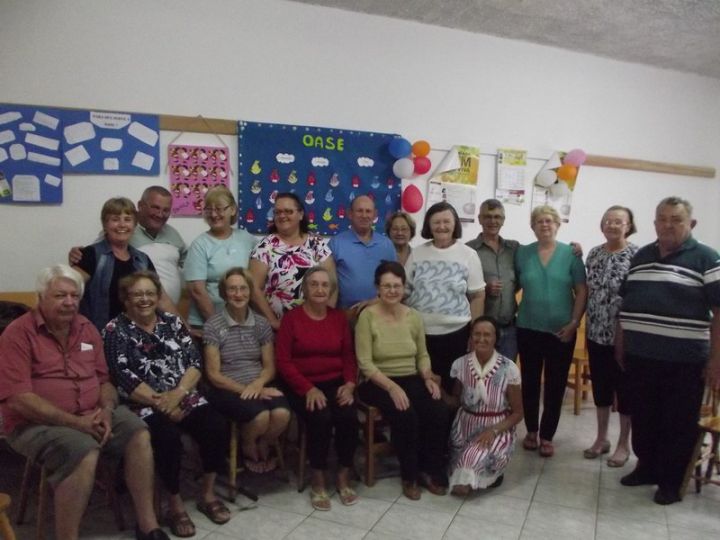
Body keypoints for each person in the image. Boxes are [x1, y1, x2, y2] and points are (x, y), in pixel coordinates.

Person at [0, 265, 168, 540]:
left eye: (74, 296)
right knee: (83, 448)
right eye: (60, 295)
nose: (69, 302)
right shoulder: (18, 334)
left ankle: (147, 524)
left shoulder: (86, 328)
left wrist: (106, 410)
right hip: (34, 423)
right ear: (41, 297)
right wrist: (76, 422)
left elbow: (104, 381)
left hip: (92, 412)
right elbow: (19, 400)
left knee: (138, 431)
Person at [103, 271, 231, 537]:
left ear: (158, 295)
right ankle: (174, 504)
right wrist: (160, 402)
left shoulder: (172, 321)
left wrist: (179, 393)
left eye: (150, 293)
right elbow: (121, 375)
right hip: (143, 404)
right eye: (137, 294)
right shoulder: (115, 330)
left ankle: (207, 494)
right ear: (125, 299)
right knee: (167, 438)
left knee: (217, 426)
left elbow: (195, 362)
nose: (145, 299)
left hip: (184, 396)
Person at [617, 197, 720, 505]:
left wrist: (716, 360)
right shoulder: (642, 256)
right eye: (662, 218)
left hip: (684, 361)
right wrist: (621, 342)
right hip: (641, 355)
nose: (668, 224)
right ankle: (647, 468)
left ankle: (671, 482)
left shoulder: (707, 258)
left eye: (676, 219)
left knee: (677, 422)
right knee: (645, 417)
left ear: (691, 224)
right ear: (654, 223)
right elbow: (626, 303)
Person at [355, 261, 450, 500]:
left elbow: (422, 354)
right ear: (377, 287)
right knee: (405, 413)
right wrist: (391, 386)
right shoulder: (367, 317)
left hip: (410, 377)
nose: (392, 291)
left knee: (438, 409)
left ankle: (431, 470)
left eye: (396, 286)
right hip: (376, 382)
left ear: (404, 287)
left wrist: (427, 377)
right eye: (386, 286)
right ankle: (410, 476)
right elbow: (365, 363)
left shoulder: (413, 316)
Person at [275, 267, 359, 511]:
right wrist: (308, 388)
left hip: (335, 382)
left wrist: (350, 384)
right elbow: (283, 361)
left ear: (331, 290)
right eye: (314, 284)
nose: (320, 289)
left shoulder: (338, 318)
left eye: (325, 285)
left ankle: (344, 472)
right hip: (301, 384)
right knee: (320, 417)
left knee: (348, 416)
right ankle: (318, 476)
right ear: (305, 289)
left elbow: (348, 357)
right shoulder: (292, 319)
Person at [515, 205, 587, 458]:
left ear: (557, 225)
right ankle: (532, 431)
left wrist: (574, 322)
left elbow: (582, 290)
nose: (544, 225)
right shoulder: (522, 253)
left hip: (562, 332)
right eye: (538, 221)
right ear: (532, 227)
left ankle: (547, 435)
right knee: (530, 383)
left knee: (556, 386)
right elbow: (513, 283)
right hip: (528, 328)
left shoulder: (571, 254)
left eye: (548, 221)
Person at [203, 267, 290, 473]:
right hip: (226, 389)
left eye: (243, 288)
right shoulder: (213, 325)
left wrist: (258, 386)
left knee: (282, 413)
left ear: (250, 292)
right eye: (232, 289)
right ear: (224, 293)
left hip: (259, 383)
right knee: (260, 417)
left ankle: (264, 443)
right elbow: (213, 375)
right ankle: (248, 444)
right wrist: (250, 390)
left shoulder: (261, 323)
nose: (238, 294)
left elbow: (269, 366)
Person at [405, 201, 485, 393]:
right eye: (436, 222)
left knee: (452, 387)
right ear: (428, 226)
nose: (442, 226)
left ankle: (451, 424)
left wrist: (475, 333)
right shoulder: (417, 253)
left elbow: (477, 296)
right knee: (422, 386)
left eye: (446, 221)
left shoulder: (468, 255)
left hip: (456, 333)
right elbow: (405, 291)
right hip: (420, 333)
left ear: (455, 224)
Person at [583, 206, 638, 467]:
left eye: (619, 221)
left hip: (624, 337)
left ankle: (623, 444)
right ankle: (601, 438)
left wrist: (623, 336)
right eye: (608, 220)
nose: (612, 225)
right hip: (595, 333)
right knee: (601, 389)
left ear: (629, 225)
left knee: (625, 391)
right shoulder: (594, 254)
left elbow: (636, 299)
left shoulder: (637, 256)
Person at [72, 197, 176, 331]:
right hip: (100, 336)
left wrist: (186, 329)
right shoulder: (90, 255)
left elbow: (162, 300)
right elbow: (69, 290)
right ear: (105, 224)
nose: (122, 225)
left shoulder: (143, 259)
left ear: (134, 225)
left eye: (127, 219)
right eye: (115, 219)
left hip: (137, 338)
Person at [69, 186, 187, 304]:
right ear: (141, 206)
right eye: (155, 208)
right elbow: (95, 256)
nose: (160, 214)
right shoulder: (109, 242)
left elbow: (188, 264)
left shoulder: (169, 237)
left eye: (166, 210)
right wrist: (77, 255)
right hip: (118, 313)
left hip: (158, 311)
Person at [447, 316, 523, 496]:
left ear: (496, 338)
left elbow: (518, 413)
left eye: (487, 335)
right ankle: (483, 474)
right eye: (476, 334)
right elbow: (456, 401)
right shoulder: (460, 364)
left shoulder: (509, 368)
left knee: (463, 482)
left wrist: (494, 430)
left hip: (495, 426)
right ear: (470, 337)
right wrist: (436, 388)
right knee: (454, 470)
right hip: (464, 425)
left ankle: (491, 471)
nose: (481, 339)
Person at [249, 193, 334, 330]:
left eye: (288, 211)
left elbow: (332, 285)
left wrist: (325, 319)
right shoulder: (264, 247)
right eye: (278, 212)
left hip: (315, 326)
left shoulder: (317, 244)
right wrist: (273, 322)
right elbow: (254, 289)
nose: (282, 216)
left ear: (300, 214)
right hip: (279, 328)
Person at [184, 186, 258, 329]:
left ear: (233, 209)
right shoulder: (199, 245)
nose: (213, 214)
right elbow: (197, 291)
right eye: (208, 209)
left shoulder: (248, 240)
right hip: (207, 322)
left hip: (242, 321)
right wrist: (219, 327)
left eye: (219, 208)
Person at [466, 199, 520, 360]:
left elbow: (538, 253)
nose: (492, 221)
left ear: (503, 220)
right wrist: (484, 289)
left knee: (506, 378)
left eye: (497, 217)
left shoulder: (514, 248)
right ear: (480, 219)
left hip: (509, 328)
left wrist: (574, 248)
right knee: (480, 379)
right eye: (488, 216)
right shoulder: (468, 250)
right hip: (480, 331)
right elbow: (459, 288)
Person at [328, 195, 396, 321]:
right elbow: (329, 283)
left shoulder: (386, 245)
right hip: (346, 316)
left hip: (381, 314)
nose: (364, 215)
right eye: (359, 211)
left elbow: (396, 282)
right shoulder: (336, 243)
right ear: (349, 214)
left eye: (368, 211)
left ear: (375, 215)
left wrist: (376, 301)